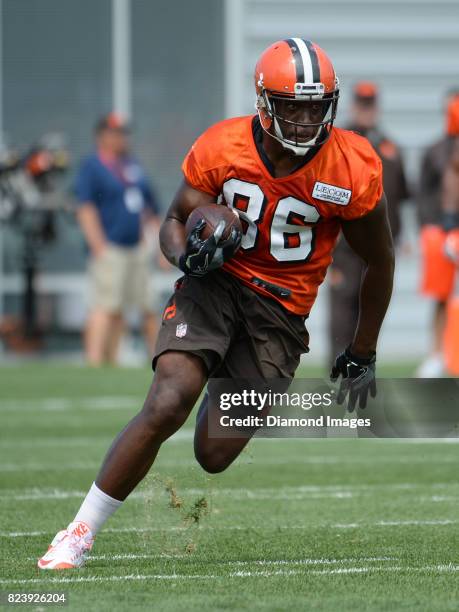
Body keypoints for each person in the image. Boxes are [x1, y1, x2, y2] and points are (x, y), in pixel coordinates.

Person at [37, 39, 394, 570]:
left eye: (315, 107)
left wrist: (362, 351)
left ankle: (226, 369)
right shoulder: (224, 146)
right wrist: (189, 259)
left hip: (280, 314)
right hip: (217, 283)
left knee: (214, 453)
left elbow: (379, 263)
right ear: (263, 103)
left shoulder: (352, 165)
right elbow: (173, 222)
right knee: (168, 400)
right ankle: (79, 532)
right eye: (291, 105)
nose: (303, 120)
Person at [328, 82, 409, 365]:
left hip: (379, 246)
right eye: (362, 105)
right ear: (353, 106)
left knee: (371, 307)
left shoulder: (390, 148)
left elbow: (400, 194)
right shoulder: (337, 144)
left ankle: (361, 364)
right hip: (344, 248)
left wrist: (401, 235)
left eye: (370, 105)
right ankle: (335, 371)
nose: (366, 111)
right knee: (342, 312)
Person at [74, 112, 161, 366]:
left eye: (123, 133)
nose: (121, 138)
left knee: (142, 307)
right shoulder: (92, 166)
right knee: (105, 307)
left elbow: (149, 207)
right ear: (102, 136)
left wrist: (156, 245)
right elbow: (85, 207)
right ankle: (94, 361)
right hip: (110, 247)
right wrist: (98, 244)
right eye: (115, 133)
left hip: (136, 247)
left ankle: (148, 360)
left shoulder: (131, 165)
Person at [416, 92, 459, 377]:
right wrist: (438, 224)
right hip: (444, 231)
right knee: (443, 296)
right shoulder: (437, 150)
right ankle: (437, 354)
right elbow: (428, 192)